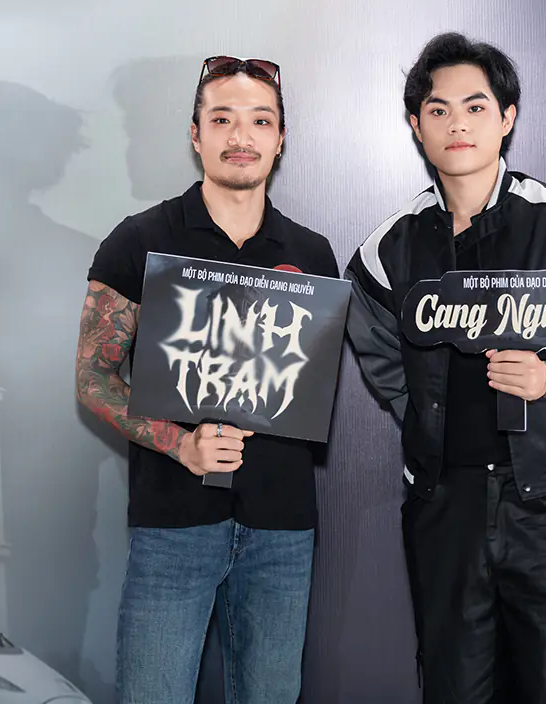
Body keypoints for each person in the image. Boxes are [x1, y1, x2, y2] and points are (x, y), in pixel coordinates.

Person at [344, 32, 546, 703]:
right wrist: (429, 420)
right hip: (445, 508)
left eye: (476, 107)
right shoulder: (387, 248)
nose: (457, 123)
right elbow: (379, 352)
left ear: (507, 118)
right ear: (416, 125)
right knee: (455, 686)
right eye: (438, 109)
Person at [75, 55, 339, 703]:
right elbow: (93, 377)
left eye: (260, 121)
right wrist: (180, 443)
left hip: (282, 528)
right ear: (196, 134)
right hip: (173, 524)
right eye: (222, 119)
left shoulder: (312, 254)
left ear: (280, 139)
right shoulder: (139, 240)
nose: (240, 136)